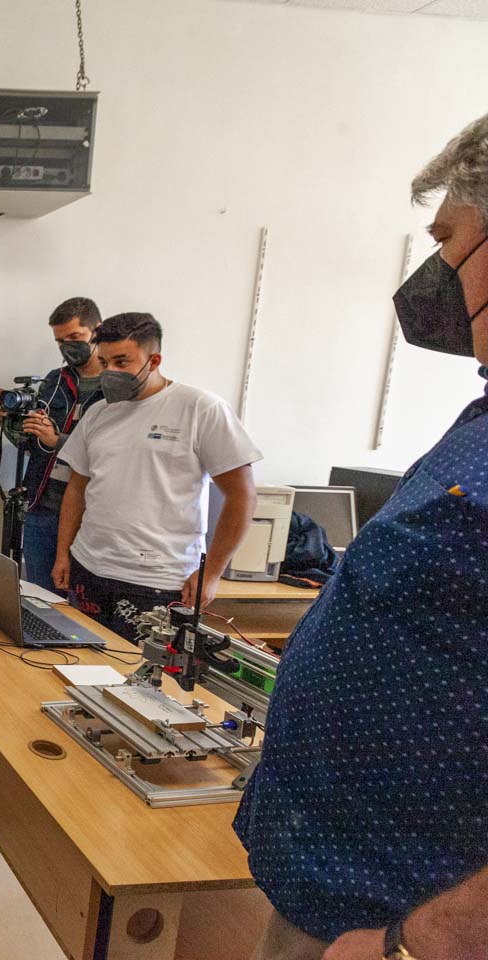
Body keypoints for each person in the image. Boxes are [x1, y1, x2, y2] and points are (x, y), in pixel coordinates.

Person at [235, 113, 488, 960]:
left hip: (409, 920)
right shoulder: (478, 422)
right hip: (342, 883)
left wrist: (419, 940)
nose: (435, 271)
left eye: (447, 239)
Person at [52, 312, 260, 640]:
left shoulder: (201, 408)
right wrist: (63, 552)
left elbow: (242, 495)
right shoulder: (99, 412)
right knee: (82, 661)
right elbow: (78, 487)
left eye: (122, 361)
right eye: (104, 362)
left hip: (158, 582)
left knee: (146, 671)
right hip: (89, 567)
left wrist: (211, 573)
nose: (111, 372)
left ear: (154, 360)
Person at [7, 296, 106, 591]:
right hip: (42, 505)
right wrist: (10, 422)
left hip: (90, 515)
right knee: (40, 597)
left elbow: (112, 453)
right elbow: (32, 445)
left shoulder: (118, 387)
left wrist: (58, 440)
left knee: (79, 602)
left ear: (97, 331)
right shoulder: (55, 380)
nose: (67, 347)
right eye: (60, 341)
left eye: (74, 337)